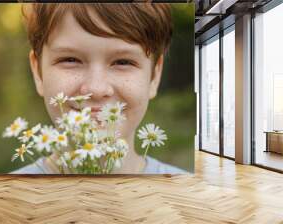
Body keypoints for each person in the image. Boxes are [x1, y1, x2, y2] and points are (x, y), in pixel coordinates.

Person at [10, 3, 187, 174]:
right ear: (37, 72)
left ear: (154, 76)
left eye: (123, 62)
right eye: (70, 60)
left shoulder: (184, 196)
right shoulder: (7, 198)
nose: (96, 88)